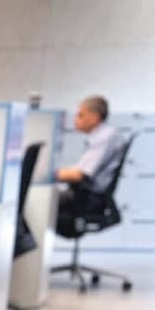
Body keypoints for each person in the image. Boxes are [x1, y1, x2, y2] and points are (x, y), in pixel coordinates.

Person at [55, 94, 127, 238]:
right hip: (87, 196)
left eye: (80, 115)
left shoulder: (104, 137)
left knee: (37, 201)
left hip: (87, 199)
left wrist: (44, 174)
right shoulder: (105, 135)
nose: (76, 120)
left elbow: (78, 175)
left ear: (94, 117)